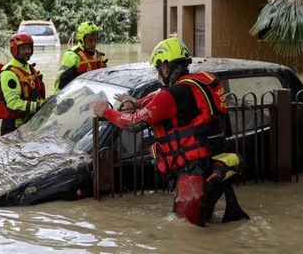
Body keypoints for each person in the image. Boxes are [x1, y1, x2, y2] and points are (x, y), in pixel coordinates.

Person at [92, 35, 249, 227]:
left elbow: (133, 123)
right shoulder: (196, 86)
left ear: (166, 68)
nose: (158, 75)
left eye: (158, 69)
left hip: (193, 175)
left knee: (186, 232)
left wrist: (106, 111)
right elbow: (157, 99)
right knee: (202, 224)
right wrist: (136, 102)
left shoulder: (172, 95)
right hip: (214, 166)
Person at [0, 32, 46, 136]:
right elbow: (13, 104)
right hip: (13, 127)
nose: (27, 51)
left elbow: (36, 97)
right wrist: (39, 106)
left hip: (29, 124)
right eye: (23, 48)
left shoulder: (30, 69)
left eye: (29, 48)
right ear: (14, 50)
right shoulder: (8, 73)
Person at [54, 22, 108, 93]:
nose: (93, 44)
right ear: (81, 40)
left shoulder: (100, 57)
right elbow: (60, 84)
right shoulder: (71, 56)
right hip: (77, 98)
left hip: (94, 98)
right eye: (90, 40)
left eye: (95, 39)